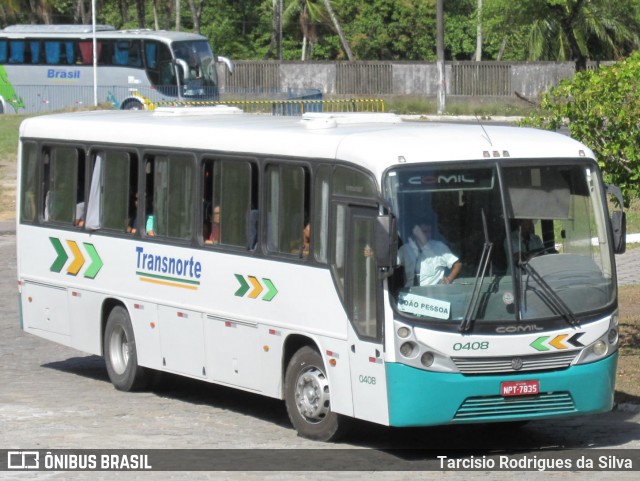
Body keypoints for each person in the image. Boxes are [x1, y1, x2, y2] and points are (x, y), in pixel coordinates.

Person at [398, 221, 462, 287]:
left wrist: (449, 279)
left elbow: (457, 265)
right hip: (409, 294)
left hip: (432, 295)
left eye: (429, 232)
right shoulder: (405, 249)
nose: (427, 235)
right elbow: (392, 264)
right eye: (424, 232)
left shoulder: (439, 248)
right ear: (415, 233)